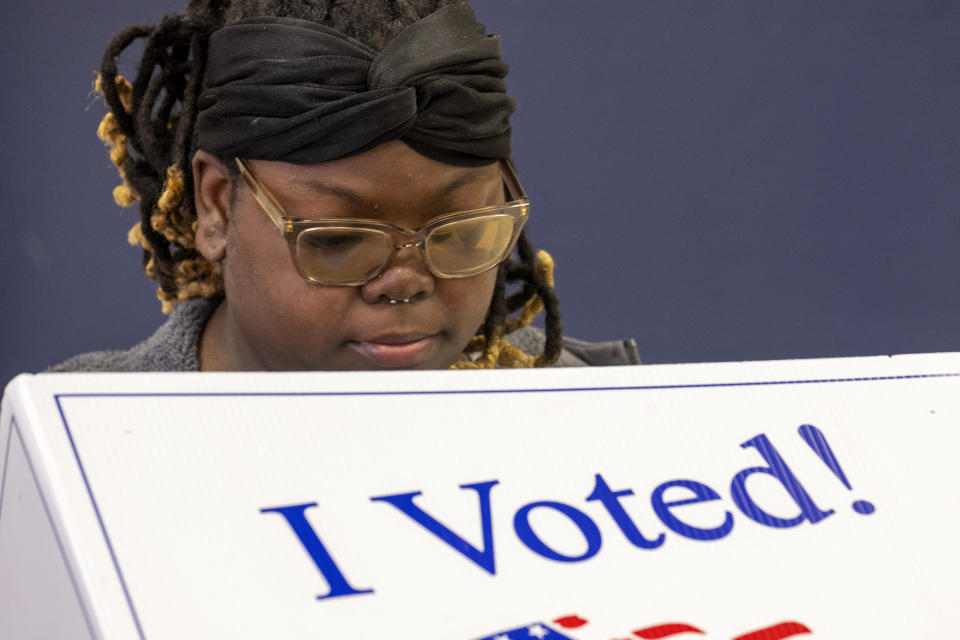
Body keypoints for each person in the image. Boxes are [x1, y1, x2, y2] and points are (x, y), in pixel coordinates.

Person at [50, 0, 639, 372]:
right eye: (337, 240)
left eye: (463, 233)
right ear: (215, 205)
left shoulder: (601, 417)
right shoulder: (77, 444)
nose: (405, 284)